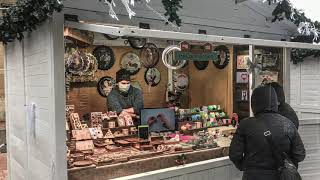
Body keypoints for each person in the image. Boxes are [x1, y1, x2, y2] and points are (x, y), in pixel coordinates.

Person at [229, 85, 305, 180]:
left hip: (252, 176)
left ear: (254, 103)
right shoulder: (288, 124)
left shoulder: (245, 124)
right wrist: (285, 164)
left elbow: (234, 154)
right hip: (280, 176)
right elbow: (300, 154)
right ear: (274, 102)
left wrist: (245, 166)